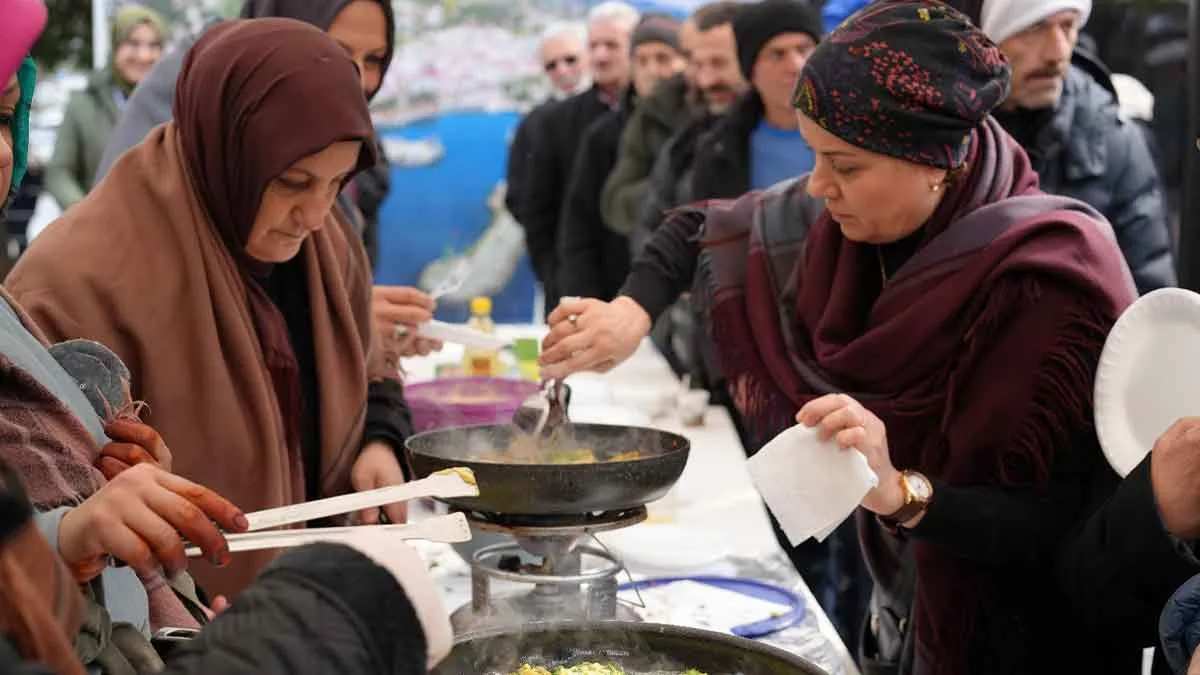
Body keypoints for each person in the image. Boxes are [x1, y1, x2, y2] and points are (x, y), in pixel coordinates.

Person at [540, 1, 1142, 671]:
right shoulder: (854, 224)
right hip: (901, 610)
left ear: (936, 161)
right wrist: (630, 312)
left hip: (1028, 639)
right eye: (814, 157)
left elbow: (1072, 527)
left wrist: (902, 491)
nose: (820, 186)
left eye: (846, 166)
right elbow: (702, 229)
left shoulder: (1053, 281)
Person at [1, 40, 451, 675]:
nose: (315, 212)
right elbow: (35, 482)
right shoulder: (82, 273)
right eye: (294, 183)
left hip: (269, 616)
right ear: (228, 149)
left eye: (336, 184)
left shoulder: (326, 241)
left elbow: (367, 359)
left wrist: (378, 435)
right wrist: (103, 536)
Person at [948, 0, 1175, 294]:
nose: (1058, 52)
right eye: (1033, 28)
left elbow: (1149, 301)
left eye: (1068, 26)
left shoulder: (1115, 141)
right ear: (983, 40)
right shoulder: (944, 134)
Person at [518, 1, 640, 316]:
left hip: (646, 290)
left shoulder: (660, 119)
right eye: (594, 45)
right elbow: (536, 210)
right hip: (579, 290)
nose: (600, 55)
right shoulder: (554, 121)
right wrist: (556, 278)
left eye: (611, 45)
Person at [557, 14, 686, 301]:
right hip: (622, 293)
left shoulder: (710, 128)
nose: (653, 70)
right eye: (641, 61)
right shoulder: (604, 136)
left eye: (663, 58)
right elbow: (581, 228)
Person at [599, 1, 744, 240]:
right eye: (693, 60)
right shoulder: (656, 110)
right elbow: (616, 204)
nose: (705, 78)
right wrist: (678, 185)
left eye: (719, 61)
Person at [44, 5, 165, 210]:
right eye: (133, 44)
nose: (144, 56)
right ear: (116, 46)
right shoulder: (84, 103)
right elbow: (59, 172)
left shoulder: (172, 106)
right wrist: (85, 213)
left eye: (153, 46)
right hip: (98, 229)